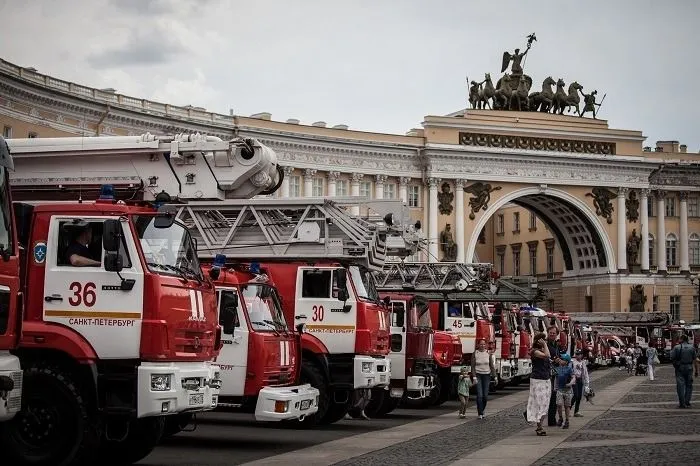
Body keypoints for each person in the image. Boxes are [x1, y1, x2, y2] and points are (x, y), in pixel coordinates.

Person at [525, 332, 552, 436]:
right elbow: (547, 355)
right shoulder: (534, 351)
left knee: (545, 403)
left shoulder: (542, 349)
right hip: (537, 379)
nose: (545, 341)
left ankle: (536, 421)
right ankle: (539, 427)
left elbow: (548, 355)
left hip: (546, 379)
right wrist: (545, 345)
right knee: (539, 402)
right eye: (543, 340)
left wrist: (545, 346)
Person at [470, 339, 496, 419]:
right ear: (478, 345)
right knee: (480, 395)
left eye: (484, 344)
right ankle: (480, 413)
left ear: (486, 345)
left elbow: (491, 366)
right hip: (478, 375)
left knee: (485, 396)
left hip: (486, 375)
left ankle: (482, 409)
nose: (482, 346)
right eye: (481, 344)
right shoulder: (475, 353)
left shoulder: (488, 353)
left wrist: (495, 376)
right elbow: (473, 366)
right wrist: (474, 377)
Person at [670, 334, 697, 409]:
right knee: (689, 385)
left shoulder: (676, 347)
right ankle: (687, 401)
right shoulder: (692, 347)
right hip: (689, 367)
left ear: (681, 339)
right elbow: (695, 359)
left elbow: (672, 357)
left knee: (680, 386)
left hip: (680, 368)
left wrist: (675, 364)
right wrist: (696, 370)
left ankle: (682, 403)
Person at [545, 326, 563, 427]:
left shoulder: (556, 345)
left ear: (556, 335)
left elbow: (557, 356)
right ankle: (528, 413)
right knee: (547, 396)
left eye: (553, 333)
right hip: (547, 373)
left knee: (553, 397)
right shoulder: (545, 344)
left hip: (554, 373)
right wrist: (553, 360)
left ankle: (551, 420)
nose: (552, 334)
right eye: (550, 333)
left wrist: (558, 360)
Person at [554, 353, 575, 429]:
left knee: (567, 406)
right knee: (559, 404)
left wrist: (570, 383)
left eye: (562, 359)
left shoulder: (569, 369)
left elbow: (573, 377)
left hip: (568, 390)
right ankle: (560, 418)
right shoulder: (557, 368)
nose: (560, 360)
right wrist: (555, 387)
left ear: (566, 361)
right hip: (560, 389)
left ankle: (567, 420)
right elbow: (556, 378)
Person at [571, 349, 590, 417]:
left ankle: (576, 411)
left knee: (579, 397)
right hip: (574, 380)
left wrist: (587, 383)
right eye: (576, 354)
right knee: (576, 395)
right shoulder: (572, 361)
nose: (577, 355)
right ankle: (569, 408)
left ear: (581, 355)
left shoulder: (583, 362)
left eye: (578, 354)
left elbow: (585, 373)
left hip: (580, 380)